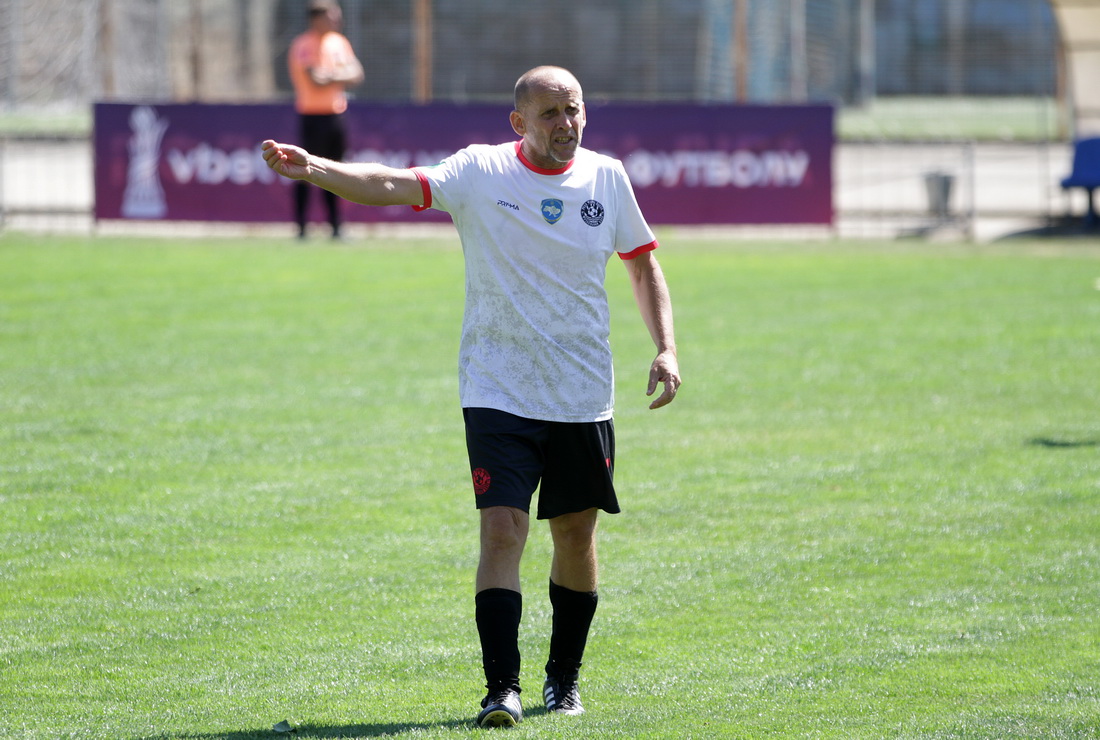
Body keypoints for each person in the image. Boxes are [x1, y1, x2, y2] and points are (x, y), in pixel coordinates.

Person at [261, 65, 680, 728]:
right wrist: (314, 168)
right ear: (519, 122)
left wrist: (666, 346)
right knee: (502, 529)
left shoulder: (607, 178)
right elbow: (393, 184)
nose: (566, 123)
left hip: (580, 393)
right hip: (497, 388)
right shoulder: (480, 171)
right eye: (550, 113)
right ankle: (501, 690)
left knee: (575, 535)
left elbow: (642, 263)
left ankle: (563, 681)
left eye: (573, 109)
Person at [287, 0, 364, 239]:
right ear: (316, 19)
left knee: (335, 171)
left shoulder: (339, 42)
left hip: (336, 115)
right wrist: (340, 75)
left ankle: (336, 227)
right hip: (312, 116)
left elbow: (357, 74)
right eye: (331, 17)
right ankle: (301, 227)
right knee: (305, 170)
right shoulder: (303, 45)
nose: (337, 21)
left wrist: (330, 75)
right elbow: (316, 81)